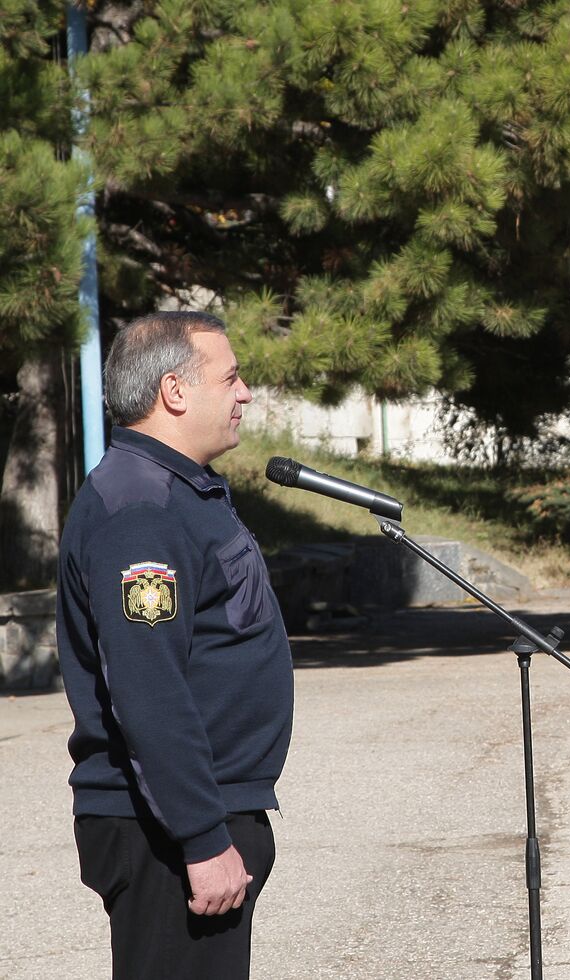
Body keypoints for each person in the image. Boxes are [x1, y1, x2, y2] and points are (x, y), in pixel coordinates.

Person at [55, 311, 293, 979]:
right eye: (232, 377)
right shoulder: (141, 509)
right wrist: (200, 835)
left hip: (197, 812)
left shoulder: (177, 490)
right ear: (175, 391)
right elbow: (148, 686)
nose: (244, 393)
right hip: (163, 829)